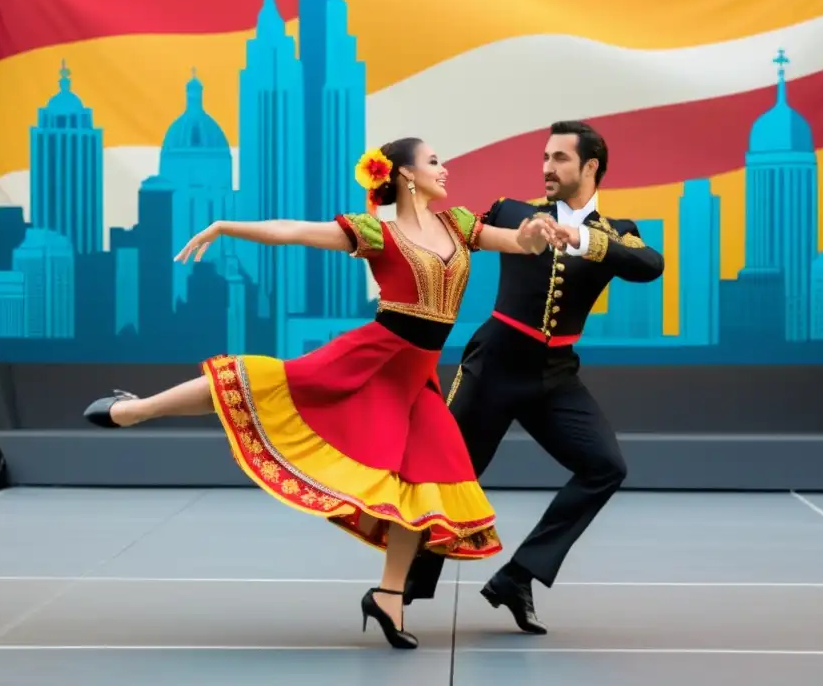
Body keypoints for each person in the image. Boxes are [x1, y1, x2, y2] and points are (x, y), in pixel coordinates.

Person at [82, 138, 560, 650]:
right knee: (260, 382)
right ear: (403, 174)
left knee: (421, 478)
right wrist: (225, 227)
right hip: (374, 354)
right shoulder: (378, 231)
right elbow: (292, 232)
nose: (444, 170)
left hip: (417, 374)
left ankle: (388, 596)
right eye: (434, 161)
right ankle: (135, 410)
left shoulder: (460, 226)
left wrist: (533, 232)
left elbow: (522, 244)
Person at [403, 120, 665, 634]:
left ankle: (518, 578)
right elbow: (451, 233)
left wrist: (585, 239)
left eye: (560, 158)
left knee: (605, 467)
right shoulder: (514, 212)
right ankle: (402, 588)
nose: (547, 166)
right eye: (545, 157)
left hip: (555, 376)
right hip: (494, 364)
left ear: (590, 167)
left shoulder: (619, 232)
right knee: (450, 473)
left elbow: (648, 264)